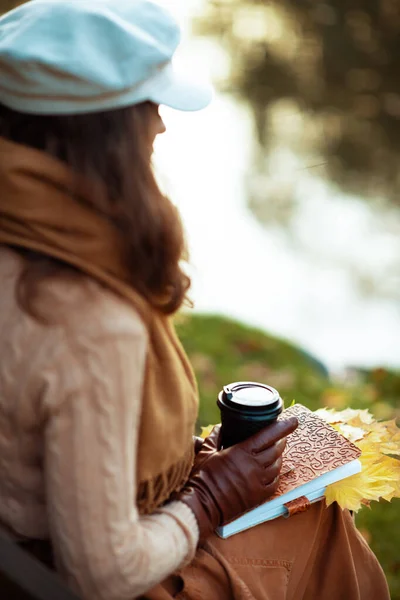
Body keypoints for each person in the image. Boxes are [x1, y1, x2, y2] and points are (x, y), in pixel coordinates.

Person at [0, 1, 390, 599]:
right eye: (150, 107)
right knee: (319, 524)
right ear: (110, 133)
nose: (161, 126)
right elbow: (100, 573)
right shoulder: (86, 316)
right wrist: (211, 498)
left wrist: (188, 469)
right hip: (50, 575)